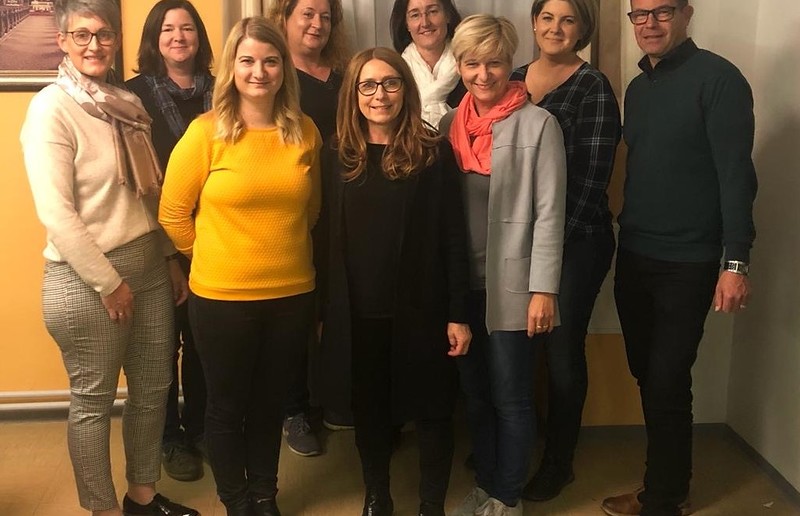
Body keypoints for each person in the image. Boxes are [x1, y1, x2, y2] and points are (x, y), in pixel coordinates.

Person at [19, 1, 198, 515]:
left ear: (116, 41)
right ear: (62, 41)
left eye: (104, 34)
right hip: (86, 280)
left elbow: (147, 193)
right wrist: (108, 282)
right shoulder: (51, 109)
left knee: (153, 388)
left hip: (148, 266)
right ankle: (103, 509)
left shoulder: (126, 102)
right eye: (82, 35)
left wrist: (168, 257)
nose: (94, 45)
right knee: (94, 402)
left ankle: (142, 495)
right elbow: (57, 213)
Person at [158, 16, 321, 516]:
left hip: (292, 295)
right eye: (247, 61)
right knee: (226, 408)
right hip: (221, 299)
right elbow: (172, 214)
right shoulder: (205, 133)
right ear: (232, 67)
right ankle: (236, 501)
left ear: (283, 68)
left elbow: (311, 211)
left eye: (270, 61)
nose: (259, 72)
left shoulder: (305, 132)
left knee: (270, 405)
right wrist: (211, 255)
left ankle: (265, 495)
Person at [602, 1, 757, 515]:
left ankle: (665, 498)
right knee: (648, 375)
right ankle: (664, 484)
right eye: (638, 14)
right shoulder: (637, 88)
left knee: (668, 380)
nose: (649, 23)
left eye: (662, 11)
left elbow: (737, 175)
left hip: (689, 261)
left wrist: (735, 263)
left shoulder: (719, 80)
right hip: (635, 253)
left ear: (687, 13)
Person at [316, 46, 471, 516]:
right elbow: (322, 237)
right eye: (367, 85)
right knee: (370, 410)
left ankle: (430, 504)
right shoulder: (336, 154)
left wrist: (458, 314)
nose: (379, 95)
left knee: (432, 409)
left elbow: (453, 237)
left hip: (422, 308)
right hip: (359, 311)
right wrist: (322, 313)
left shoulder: (432, 154)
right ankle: (376, 494)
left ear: (405, 89)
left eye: (390, 83)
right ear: (353, 94)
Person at [440, 14, 568, 516]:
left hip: (514, 287)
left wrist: (544, 290)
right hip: (462, 289)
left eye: (493, 63)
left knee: (512, 397)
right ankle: (488, 483)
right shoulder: (450, 126)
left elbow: (550, 214)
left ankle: (508, 497)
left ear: (509, 63)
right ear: (459, 65)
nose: (483, 74)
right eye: (472, 63)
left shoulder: (539, 125)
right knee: (475, 396)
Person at [508, 0, 622, 502]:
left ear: (582, 29)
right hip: (519, 241)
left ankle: (559, 462)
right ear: (534, 23)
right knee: (516, 346)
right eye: (547, 18)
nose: (555, 28)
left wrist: (543, 252)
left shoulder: (592, 86)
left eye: (568, 19)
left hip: (577, 241)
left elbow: (592, 181)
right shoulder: (511, 79)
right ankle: (516, 444)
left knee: (560, 351)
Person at [126, 0, 214, 482]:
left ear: (200, 36)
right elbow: (135, 185)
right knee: (160, 347)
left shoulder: (223, 92)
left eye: (187, 28)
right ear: (154, 39)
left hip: (214, 240)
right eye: (167, 29)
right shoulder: (132, 96)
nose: (178, 36)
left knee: (202, 342)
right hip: (157, 240)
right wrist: (168, 256)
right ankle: (169, 438)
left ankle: (201, 429)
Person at [267, 0, 351, 456]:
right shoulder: (275, 79)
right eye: (307, 14)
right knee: (295, 317)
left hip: (344, 212)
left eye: (325, 17)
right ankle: (293, 409)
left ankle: (334, 400)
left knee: (336, 307)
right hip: (294, 215)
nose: (317, 24)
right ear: (284, 18)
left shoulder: (345, 79)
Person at [390, 0, 465, 127]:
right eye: (415, 15)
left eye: (432, 11)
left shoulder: (471, 66)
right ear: (406, 24)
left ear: (448, 15)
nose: (425, 23)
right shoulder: (395, 72)